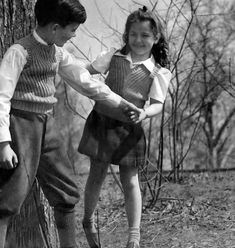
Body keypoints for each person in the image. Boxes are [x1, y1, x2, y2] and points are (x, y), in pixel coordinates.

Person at [0, 0, 141, 248]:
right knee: (9, 201)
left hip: (47, 124)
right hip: (21, 126)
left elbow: (86, 82)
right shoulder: (19, 52)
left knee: (66, 193)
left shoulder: (58, 53)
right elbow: (1, 96)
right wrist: (3, 142)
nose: (74, 35)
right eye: (72, 29)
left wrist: (120, 103)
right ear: (55, 28)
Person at [78, 6, 172, 248]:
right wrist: (92, 90)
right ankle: (88, 220)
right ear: (126, 35)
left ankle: (134, 236)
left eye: (145, 35)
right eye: (133, 34)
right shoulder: (113, 56)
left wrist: (144, 113)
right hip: (101, 122)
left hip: (129, 129)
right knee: (96, 173)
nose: (138, 40)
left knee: (131, 180)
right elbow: (84, 73)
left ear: (156, 38)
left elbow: (157, 105)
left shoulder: (159, 72)